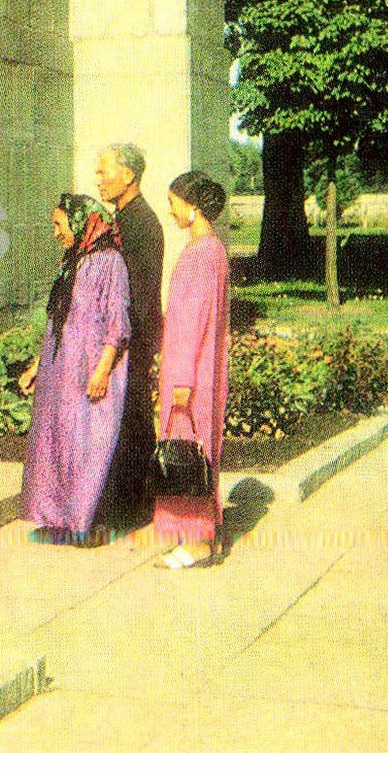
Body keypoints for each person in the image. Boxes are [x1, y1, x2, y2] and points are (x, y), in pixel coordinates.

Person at [19, 194, 131, 545]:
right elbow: (57, 320)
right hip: (59, 369)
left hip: (89, 366)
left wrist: (102, 371)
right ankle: (57, 520)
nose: (56, 233)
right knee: (56, 440)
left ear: (82, 221)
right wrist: (38, 365)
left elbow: (118, 323)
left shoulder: (110, 263)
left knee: (88, 443)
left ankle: (84, 523)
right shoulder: (73, 261)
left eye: (59, 225)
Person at [153, 171, 231, 569]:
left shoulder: (201, 253)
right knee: (199, 455)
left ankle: (198, 543)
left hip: (190, 373)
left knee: (186, 453)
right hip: (204, 369)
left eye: (174, 202)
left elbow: (190, 321)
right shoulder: (213, 249)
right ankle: (206, 537)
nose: (171, 210)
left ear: (192, 205)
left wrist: (181, 378)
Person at [92, 144, 164, 532]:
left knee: (128, 422)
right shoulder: (124, 218)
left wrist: (117, 344)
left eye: (104, 171)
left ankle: (129, 510)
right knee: (129, 421)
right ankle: (134, 505)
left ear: (128, 176)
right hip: (125, 339)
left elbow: (136, 294)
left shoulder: (141, 223)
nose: (98, 179)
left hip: (130, 340)